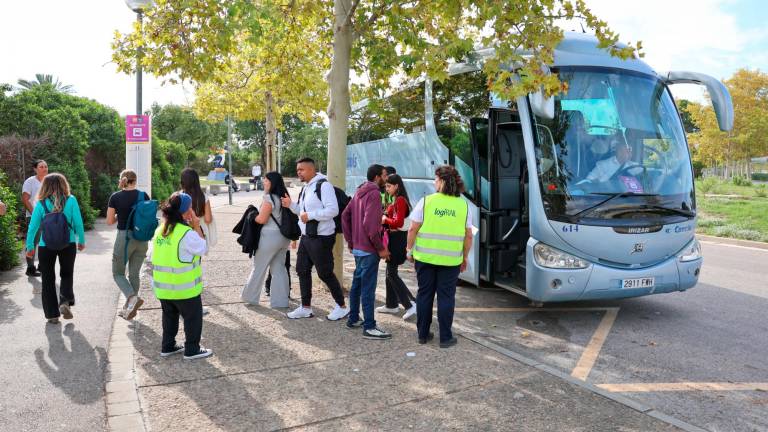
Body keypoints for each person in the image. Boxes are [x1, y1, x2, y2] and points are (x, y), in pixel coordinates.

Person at [407, 165, 473, 348]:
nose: (434, 183)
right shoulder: (463, 205)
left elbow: (413, 228)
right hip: (451, 261)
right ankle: (445, 337)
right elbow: (469, 235)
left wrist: (409, 250)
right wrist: (464, 257)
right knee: (446, 297)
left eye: (436, 179)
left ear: (442, 181)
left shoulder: (426, 201)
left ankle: (422, 334)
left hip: (425, 259)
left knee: (424, 294)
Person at [280, 157, 349, 321]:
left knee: (325, 273)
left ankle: (342, 306)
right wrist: (291, 205)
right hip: (307, 237)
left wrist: (310, 215)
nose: (299, 172)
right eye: (297, 170)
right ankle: (305, 307)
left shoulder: (323, 186)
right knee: (302, 270)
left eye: (301, 170)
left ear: (312, 170)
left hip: (322, 238)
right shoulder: (306, 188)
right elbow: (301, 212)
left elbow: (332, 210)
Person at [152, 192, 212, 360]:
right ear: (185, 212)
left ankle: (168, 346)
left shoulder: (160, 231)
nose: (192, 210)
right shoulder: (186, 233)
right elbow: (203, 248)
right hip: (185, 289)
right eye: (190, 207)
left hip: (163, 288)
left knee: (169, 317)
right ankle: (192, 349)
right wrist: (196, 225)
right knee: (193, 319)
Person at [25, 173, 85, 324]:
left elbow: (33, 227)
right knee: (66, 274)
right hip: (68, 243)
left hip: (46, 246)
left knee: (47, 279)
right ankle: (64, 302)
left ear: (45, 186)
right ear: (63, 185)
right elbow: (78, 223)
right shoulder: (71, 200)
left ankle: (52, 315)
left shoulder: (41, 203)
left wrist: (30, 246)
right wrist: (81, 240)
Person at [341, 164, 391, 339]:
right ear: (377, 177)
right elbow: (370, 226)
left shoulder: (359, 191)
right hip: (369, 250)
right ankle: (369, 326)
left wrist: (350, 241)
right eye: (385, 176)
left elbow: (345, 216)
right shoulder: (374, 193)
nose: (387, 179)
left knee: (357, 285)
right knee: (368, 289)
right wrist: (381, 248)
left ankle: (354, 318)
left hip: (358, 248)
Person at [242, 171, 291, 308]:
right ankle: (280, 302)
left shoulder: (269, 198)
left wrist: (252, 215)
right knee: (279, 269)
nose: (264, 182)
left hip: (269, 238)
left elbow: (262, 219)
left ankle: (250, 297)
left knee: (259, 268)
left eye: (266, 180)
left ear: (272, 183)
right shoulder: (284, 197)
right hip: (283, 238)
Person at [106, 169, 150, 320]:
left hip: (125, 238)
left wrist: (121, 214)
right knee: (134, 274)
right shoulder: (143, 195)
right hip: (142, 238)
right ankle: (130, 308)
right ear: (135, 180)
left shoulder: (115, 197)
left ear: (122, 180)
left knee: (117, 273)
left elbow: (110, 221)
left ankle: (132, 298)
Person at [379, 174, 417, 320]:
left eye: (389, 186)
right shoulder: (396, 199)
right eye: (386, 186)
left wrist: (384, 218)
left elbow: (399, 223)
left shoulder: (400, 200)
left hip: (397, 239)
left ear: (397, 186)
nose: (387, 189)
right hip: (395, 238)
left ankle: (409, 304)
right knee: (390, 272)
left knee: (391, 274)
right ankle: (391, 304)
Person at [22, 159, 48, 276]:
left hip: (48, 217)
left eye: (45, 166)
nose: (44, 169)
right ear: (35, 169)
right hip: (33, 216)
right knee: (32, 242)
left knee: (45, 242)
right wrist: (34, 215)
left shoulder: (48, 181)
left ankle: (42, 266)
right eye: (41, 167)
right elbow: (25, 199)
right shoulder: (30, 182)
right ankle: (30, 268)